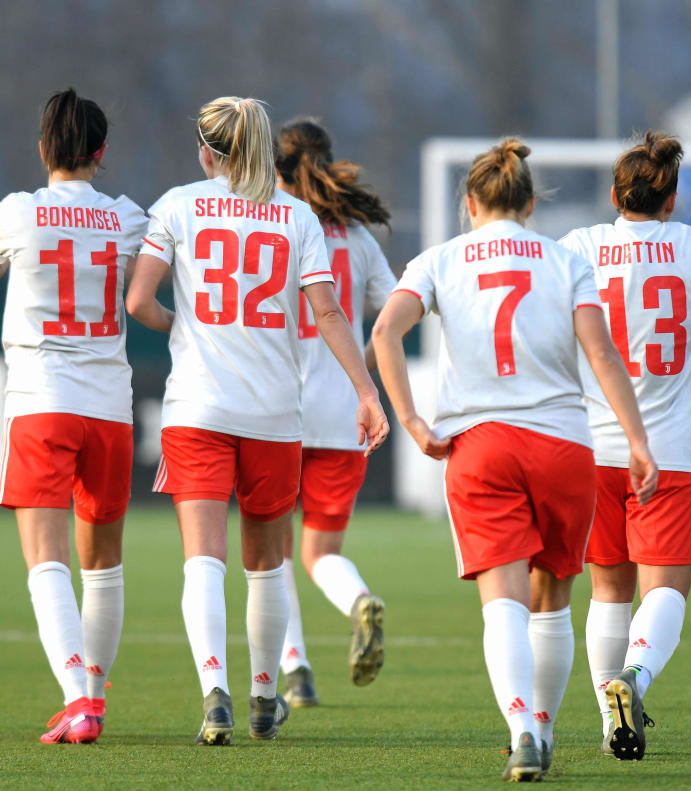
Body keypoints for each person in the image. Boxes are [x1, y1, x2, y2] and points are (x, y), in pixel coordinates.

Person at [372, 138, 657, 782]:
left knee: (502, 601)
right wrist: (637, 440)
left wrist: (411, 419)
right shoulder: (564, 261)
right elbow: (603, 355)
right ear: (530, 204)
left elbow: (385, 332)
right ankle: (547, 735)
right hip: (563, 445)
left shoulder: (439, 259)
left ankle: (523, 728)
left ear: (469, 202)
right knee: (552, 596)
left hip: (481, 446)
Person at [126, 97, 388, 746]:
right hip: (274, 415)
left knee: (202, 563)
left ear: (208, 150)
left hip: (198, 408)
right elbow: (329, 315)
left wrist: (177, 326)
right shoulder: (296, 216)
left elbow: (139, 300)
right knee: (267, 566)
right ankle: (265, 694)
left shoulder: (178, 204)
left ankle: (214, 690)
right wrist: (366, 391)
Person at [558, 132, 691, 759]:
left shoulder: (580, 247)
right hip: (667, 448)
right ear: (672, 198)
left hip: (593, 444)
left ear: (614, 194)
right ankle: (636, 679)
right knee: (666, 592)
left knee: (607, 592)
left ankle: (608, 718)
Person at [0, 88, 147, 743]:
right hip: (110, 407)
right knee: (104, 564)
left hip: (41, 400)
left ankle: (77, 702)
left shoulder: (19, 213)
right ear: (101, 153)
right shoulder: (127, 218)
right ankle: (93, 697)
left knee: (45, 560)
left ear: (42, 148)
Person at [273, 119, 396, 707]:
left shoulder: (273, 226)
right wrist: (361, 370)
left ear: (276, 169)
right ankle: (358, 601)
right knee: (321, 553)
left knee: (269, 552)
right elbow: (394, 315)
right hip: (345, 414)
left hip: (272, 410)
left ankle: (294, 669)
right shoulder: (359, 240)